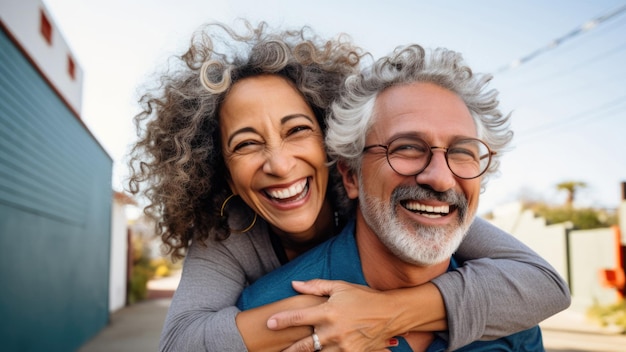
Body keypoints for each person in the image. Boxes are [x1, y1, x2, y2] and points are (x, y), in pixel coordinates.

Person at [126, 21, 570, 352]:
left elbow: (544, 284)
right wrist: (329, 319)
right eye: (246, 144)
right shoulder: (228, 235)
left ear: (334, 151)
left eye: (297, 130)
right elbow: (183, 342)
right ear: (220, 171)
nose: (280, 165)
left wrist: (383, 313)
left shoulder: (402, 197)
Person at [237, 43, 552, 351]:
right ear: (350, 176)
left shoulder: (513, 317)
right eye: (407, 147)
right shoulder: (270, 313)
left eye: (461, 152)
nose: (441, 179)